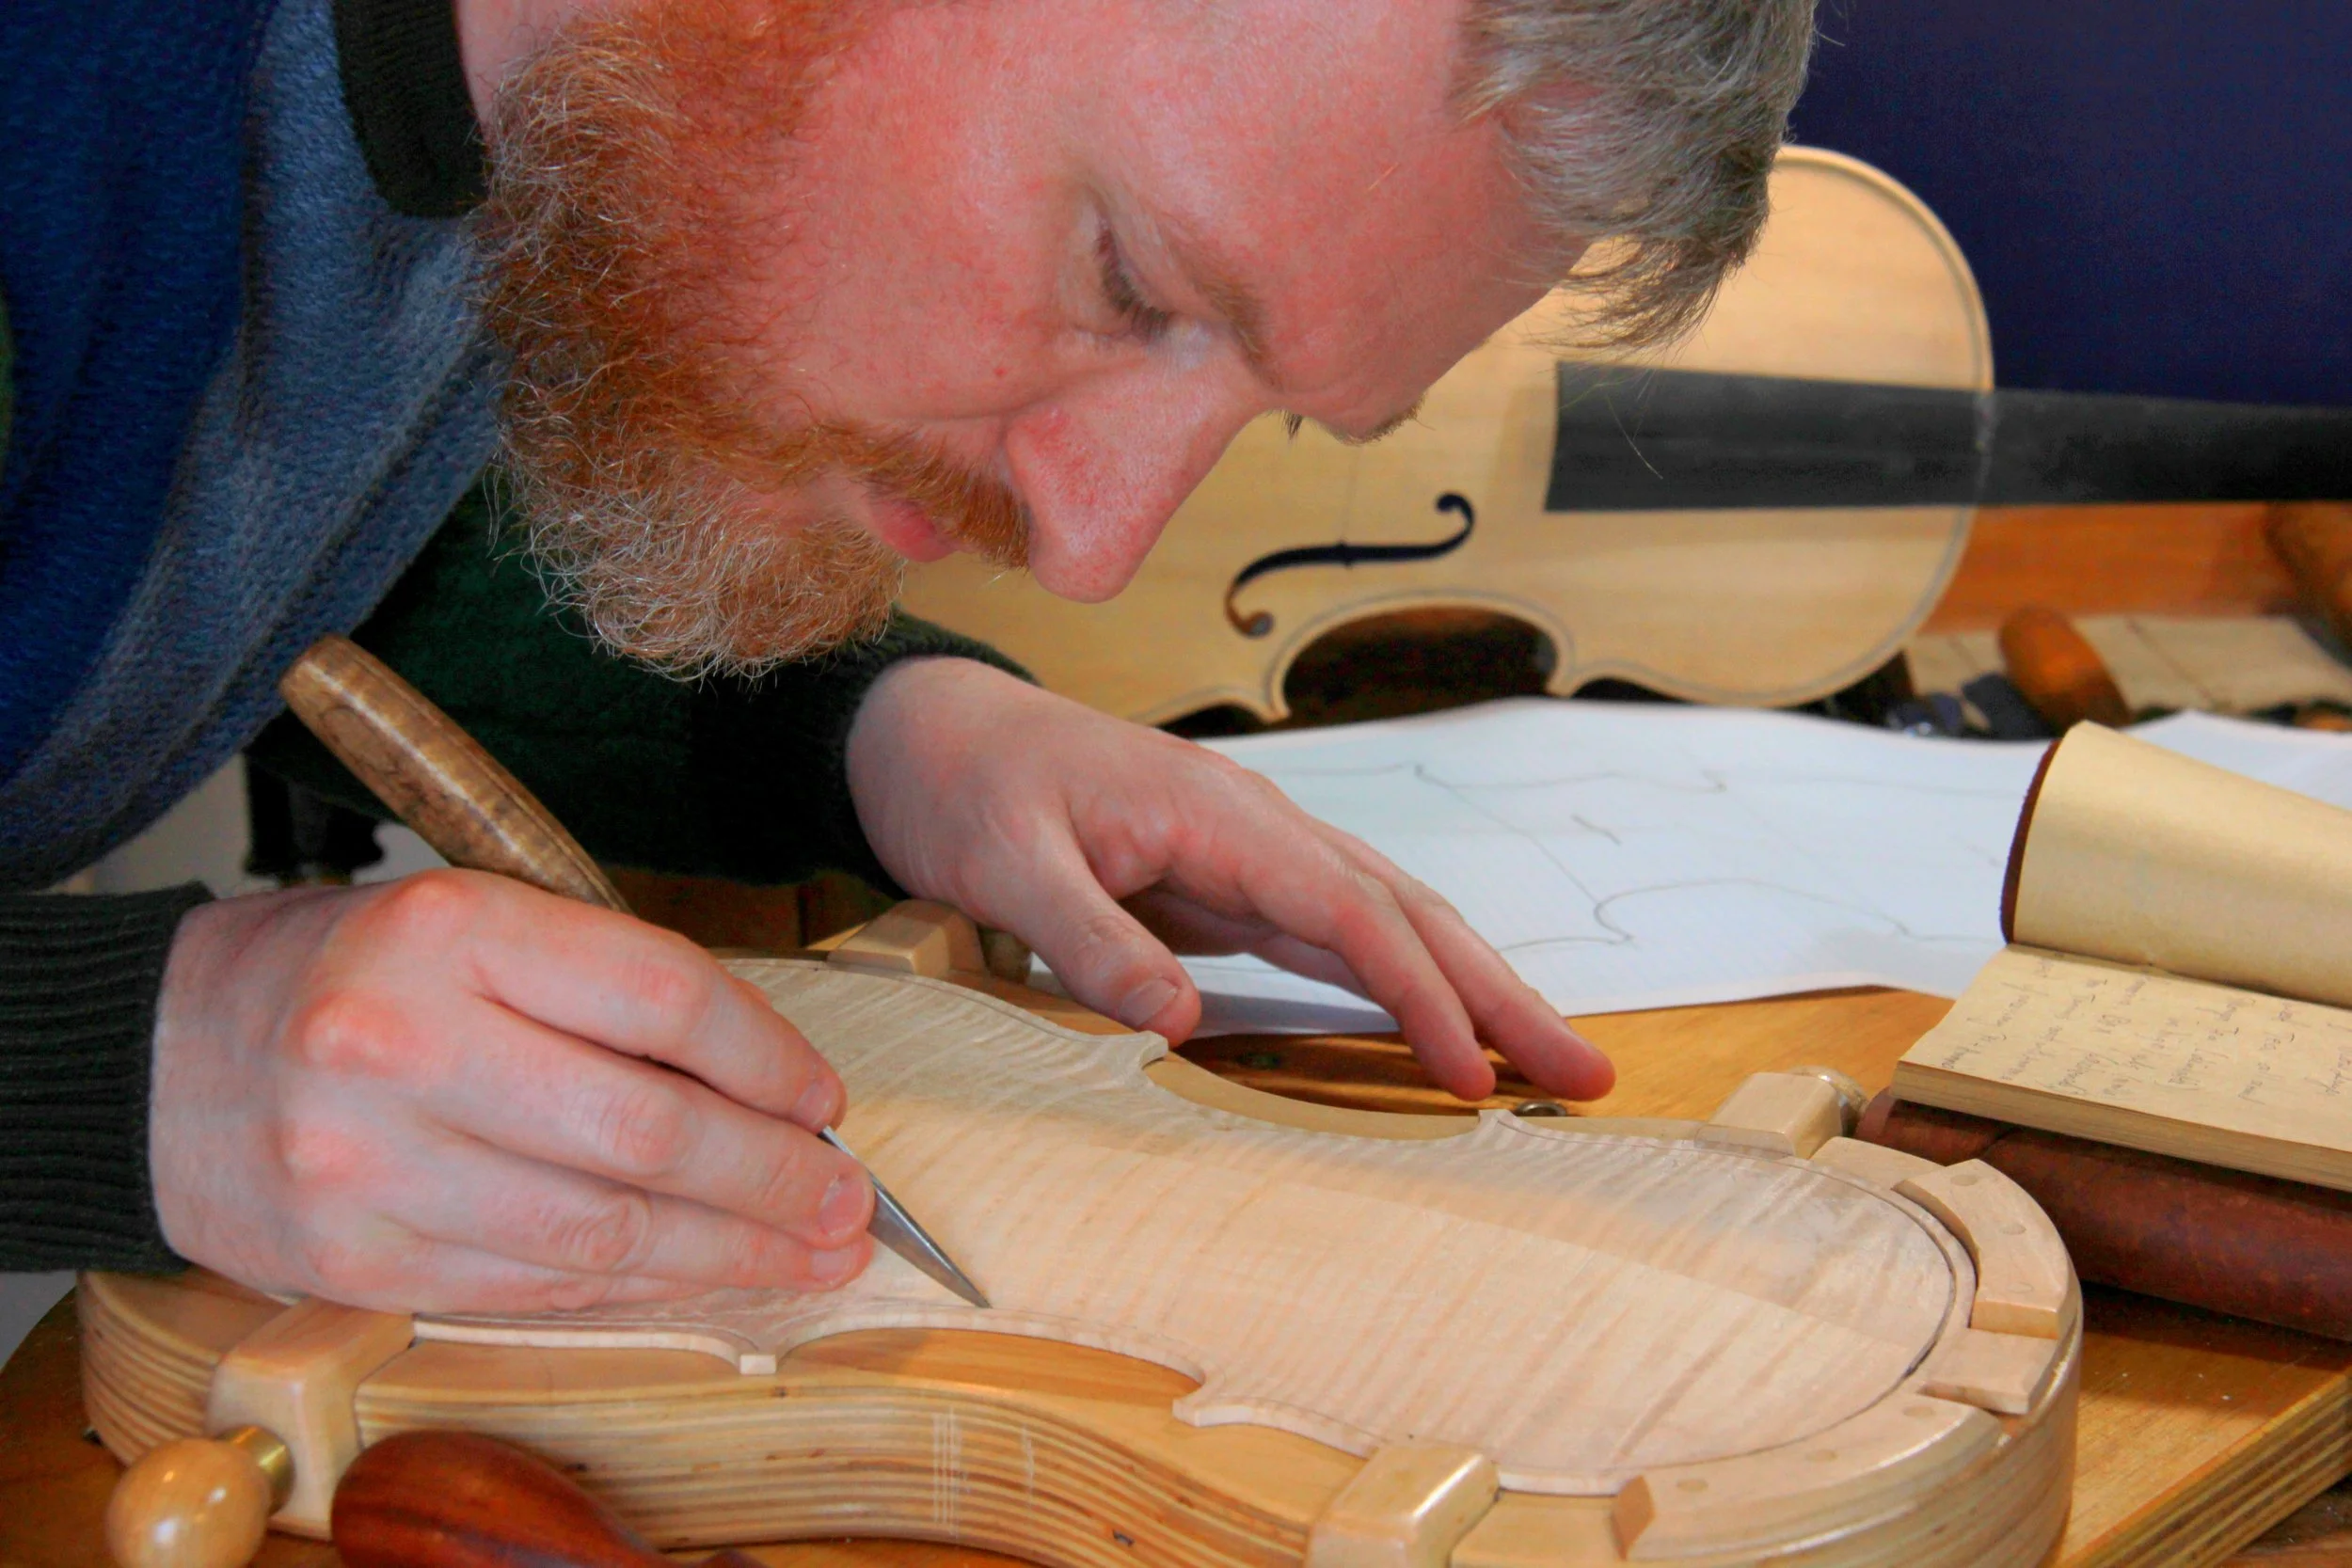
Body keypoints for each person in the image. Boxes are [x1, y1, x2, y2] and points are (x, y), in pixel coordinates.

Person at [0, 0, 1809, 1313]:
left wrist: (888, 735)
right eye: (1133, 285)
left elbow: (245, 554)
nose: (1099, 548)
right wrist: (150, 1065)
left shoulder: (557, 145)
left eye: (1265, 423)